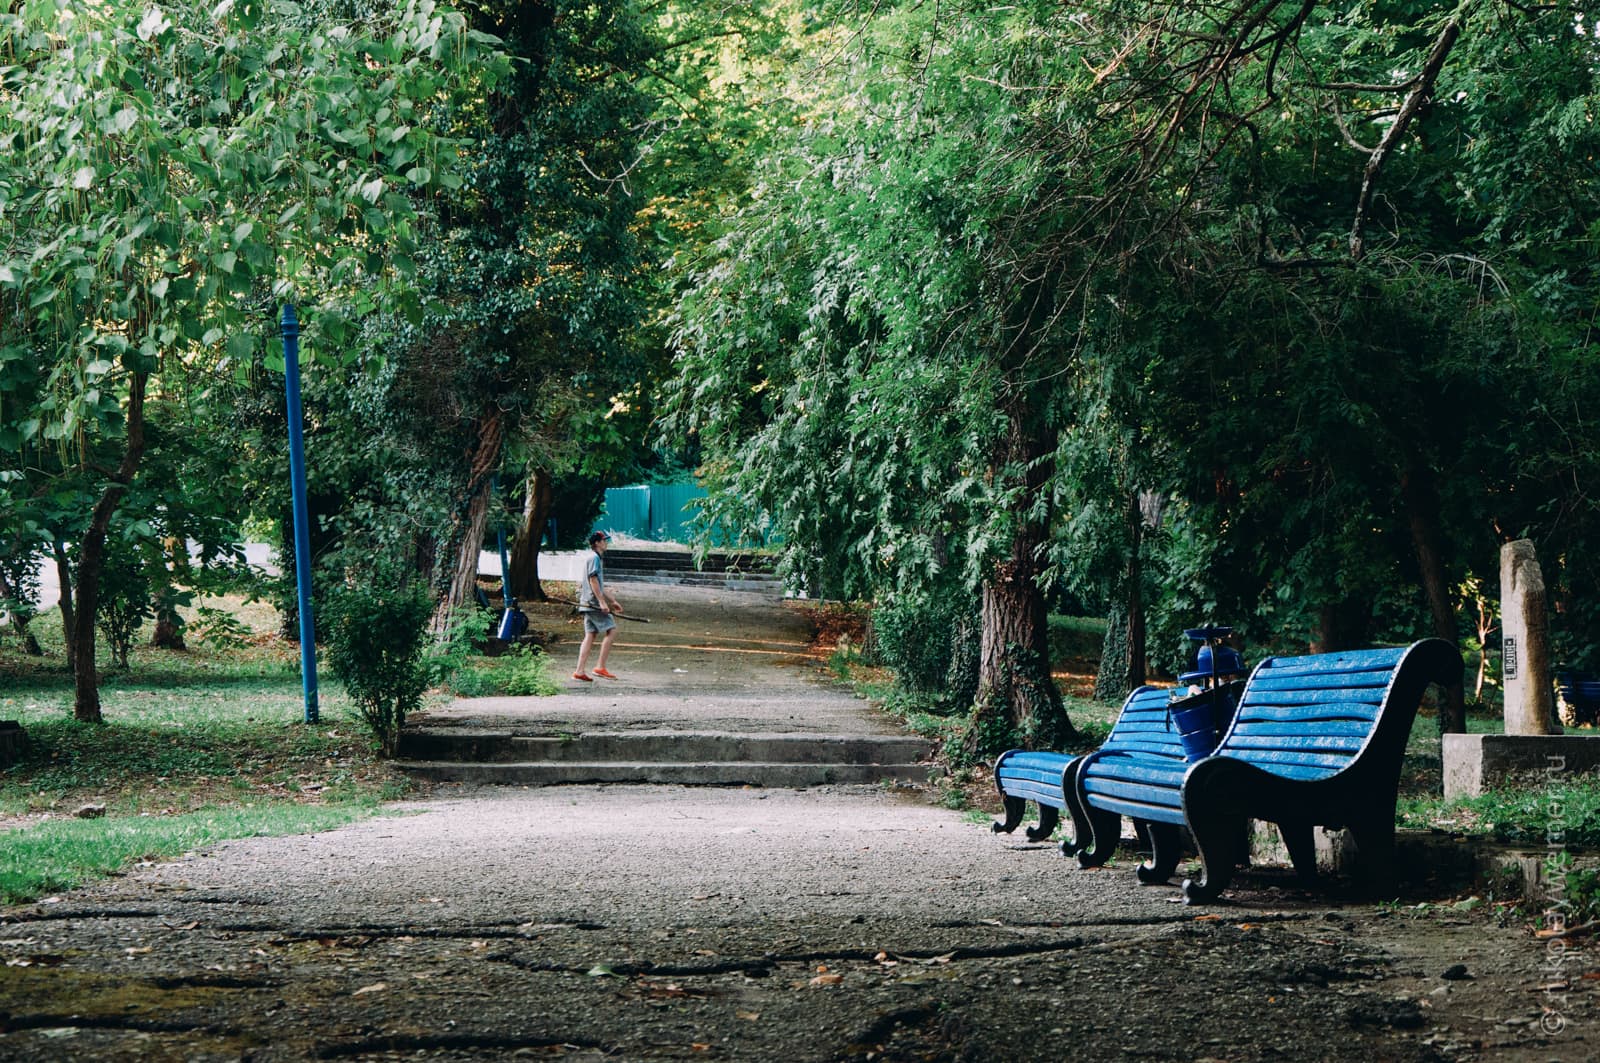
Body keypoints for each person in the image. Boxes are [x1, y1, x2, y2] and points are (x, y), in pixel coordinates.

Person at [573, 530, 622, 682]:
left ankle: (579, 671)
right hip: (593, 603)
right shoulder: (594, 558)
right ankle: (600, 666)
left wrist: (613, 601)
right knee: (612, 630)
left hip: (587, 602)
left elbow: (600, 584)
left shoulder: (594, 558)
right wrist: (602, 602)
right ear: (597, 543)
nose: (606, 543)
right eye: (604, 540)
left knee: (590, 635)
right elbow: (593, 581)